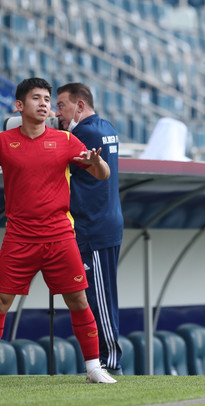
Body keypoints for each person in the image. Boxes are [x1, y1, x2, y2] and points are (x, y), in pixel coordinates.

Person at [0, 78, 116, 383]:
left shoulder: (65, 140)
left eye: (47, 99)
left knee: (79, 300)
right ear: (19, 105)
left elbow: (103, 174)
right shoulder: (4, 142)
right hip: (19, 237)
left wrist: (97, 162)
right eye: (36, 98)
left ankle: (94, 368)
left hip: (59, 236)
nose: (43, 104)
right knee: (1, 301)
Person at [55, 83, 124, 375]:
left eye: (61, 105)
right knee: (100, 295)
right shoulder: (106, 126)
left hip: (93, 226)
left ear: (80, 105)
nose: (57, 113)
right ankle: (106, 360)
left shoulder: (82, 134)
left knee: (100, 298)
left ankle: (111, 362)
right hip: (106, 221)